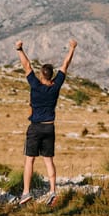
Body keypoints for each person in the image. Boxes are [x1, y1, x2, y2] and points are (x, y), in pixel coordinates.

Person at [15, 39, 78, 205]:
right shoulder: (55, 86)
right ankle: (52, 191)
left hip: (35, 127)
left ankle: (26, 192)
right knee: (48, 160)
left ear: (41, 74)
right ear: (51, 75)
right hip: (49, 127)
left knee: (29, 160)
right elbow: (65, 65)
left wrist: (20, 49)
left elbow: (27, 66)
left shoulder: (35, 85)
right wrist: (72, 48)